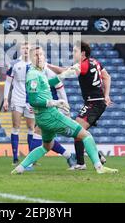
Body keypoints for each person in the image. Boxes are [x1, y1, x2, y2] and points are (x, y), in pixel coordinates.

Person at [11, 46, 118, 175]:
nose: (39, 57)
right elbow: (33, 101)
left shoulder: (38, 72)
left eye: (41, 54)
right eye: (36, 55)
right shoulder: (33, 74)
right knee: (86, 135)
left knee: (46, 147)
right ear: (31, 58)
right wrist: (54, 102)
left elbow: (48, 83)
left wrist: (63, 75)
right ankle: (99, 167)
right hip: (50, 115)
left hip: (42, 119)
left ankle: (20, 168)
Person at [48, 41, 111, 170]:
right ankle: (94, 157)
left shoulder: (83, 65)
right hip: (95, 102)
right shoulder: (95, 62)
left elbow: (64, 72)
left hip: (95, 103)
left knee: (77, 130)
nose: (73, 53)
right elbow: (107, 77)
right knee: (79, 131)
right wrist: (107, 95)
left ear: (83, 53)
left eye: (75, 51)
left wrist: (47, 66)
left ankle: (81, 163)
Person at [3, 42, 35, 165]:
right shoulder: (14, 64)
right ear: (20, 50)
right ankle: (15, 158)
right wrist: (6, 99)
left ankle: (31, 158)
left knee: (31, 127)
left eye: (28, 48)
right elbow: (8, 82)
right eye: (23, 48)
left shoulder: (34, 64)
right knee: (16, 126)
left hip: (31, 101)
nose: (26, 50)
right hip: (17, 99)